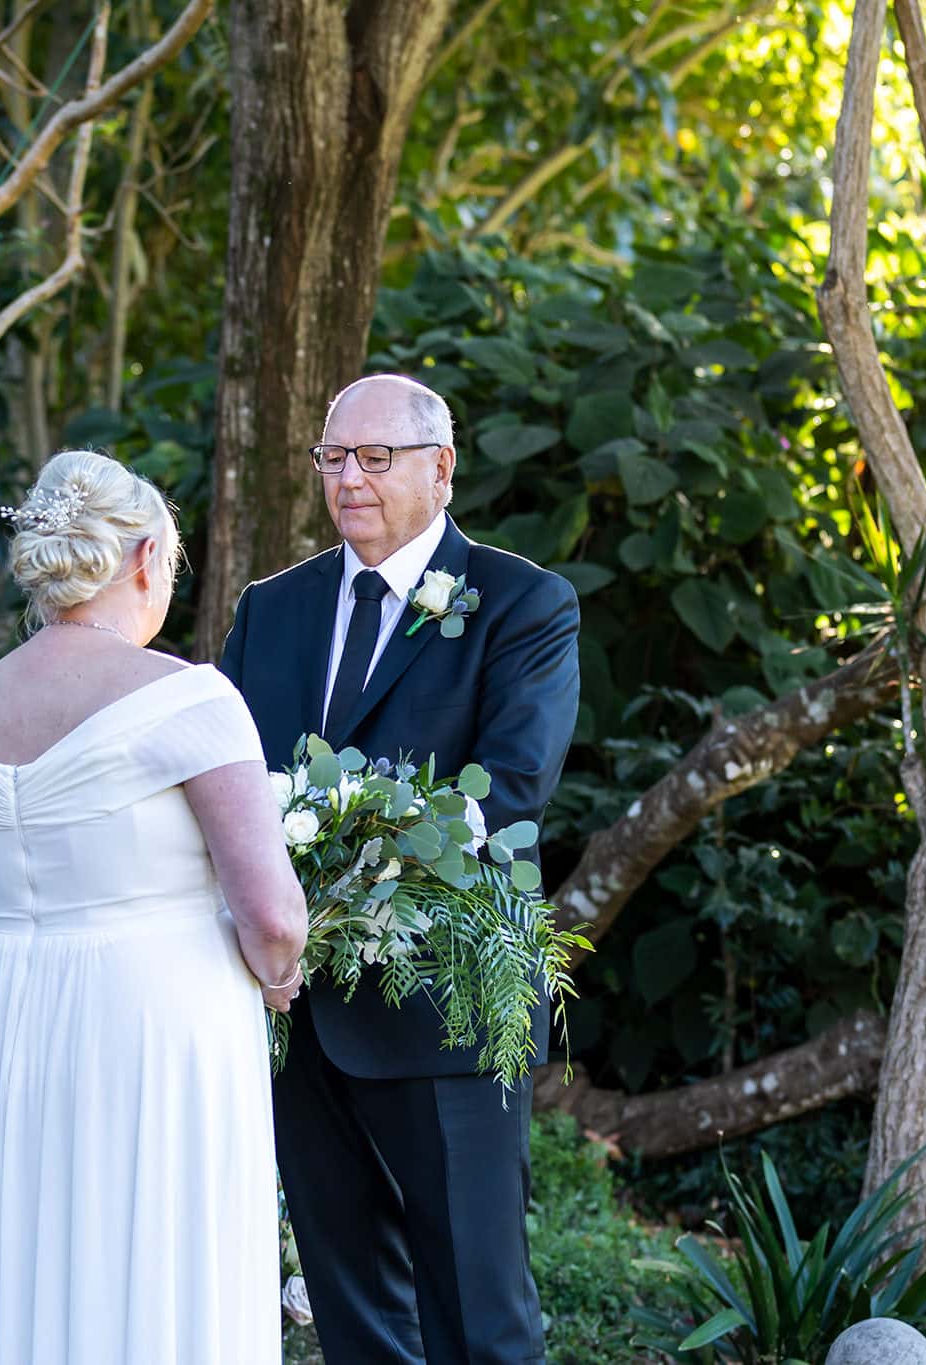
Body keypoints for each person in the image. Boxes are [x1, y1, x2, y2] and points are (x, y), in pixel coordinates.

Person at [219, 374, 582, 1364]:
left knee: (479, 1310)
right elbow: (222, 779)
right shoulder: (272, 609)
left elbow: (508, 785)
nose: (348, 480)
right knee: (351, 1309)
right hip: (296, 1011)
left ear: (441, 468)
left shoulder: (521, 604)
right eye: (331, 459)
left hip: (446, 1006)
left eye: (373, 459)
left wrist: (322, 819)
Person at [0, 450, 308, 1365]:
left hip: (13, 1011)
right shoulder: (187, 697)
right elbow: (270, 913)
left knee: (33, 1262)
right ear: (145, 560)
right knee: (151, 1257)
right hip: (153, 1026)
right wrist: (280, 976)